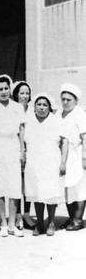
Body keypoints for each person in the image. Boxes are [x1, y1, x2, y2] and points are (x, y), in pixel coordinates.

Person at [0, 75, 26, 237]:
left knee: (14, 186)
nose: (3, 92)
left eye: (6, 88)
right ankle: (2, 222)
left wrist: (22, 151)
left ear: (10, 89)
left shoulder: (17, 107)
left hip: (13, 145)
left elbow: (21, 130)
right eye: (0, 89)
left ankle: (12, 223)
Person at [24, 93, 68, 236]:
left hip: (51, 161)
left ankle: (51, 223)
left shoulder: (56, 121)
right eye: (39, 104)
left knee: (50, 193)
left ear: (49, 107)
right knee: (37, 192)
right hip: (34, 161)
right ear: (34, 106)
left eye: (44, 105)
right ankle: (39, 223)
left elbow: (64, 141)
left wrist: (62, 162)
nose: (41, 108)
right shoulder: (29, 121)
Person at [58, 83, 86, 231]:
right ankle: (71, 218)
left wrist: (84, 157)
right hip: (64, 156)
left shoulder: (79, 113)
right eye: (63, 99)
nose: (65, 102)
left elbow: (85, 136)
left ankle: (78, 219)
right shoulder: (60, 114)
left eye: (69, 99)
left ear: (76, 100)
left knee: (80, 188)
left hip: (77, 154)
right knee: (68, 188)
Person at [12, 81, 36, 230]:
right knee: (17, 182)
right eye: (22, 93)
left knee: (28, 182)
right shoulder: (13, 109)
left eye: (27, 93)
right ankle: (18, 215)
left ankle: (27, 213)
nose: (25, 96)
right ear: (16, 94)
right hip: (16, 148)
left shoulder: (33, 110)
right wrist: (21, 149)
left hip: (32, 149)